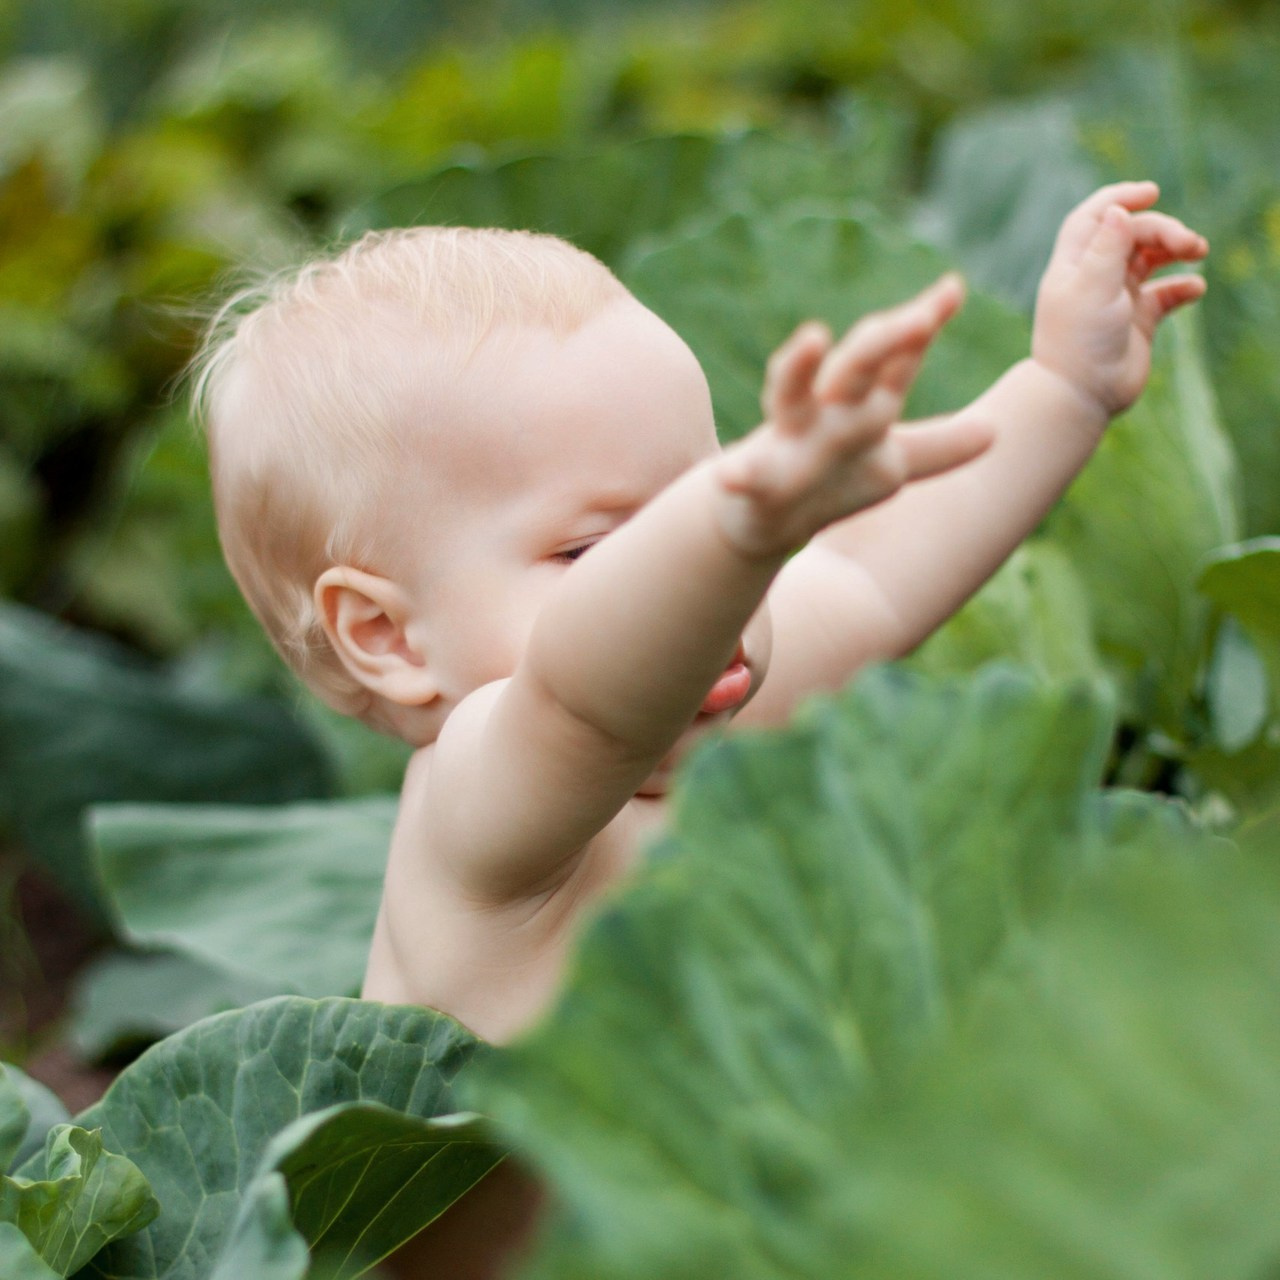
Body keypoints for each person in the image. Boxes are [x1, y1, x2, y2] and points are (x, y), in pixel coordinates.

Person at [195, 179, 1205, 1273]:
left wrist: (1061, 387)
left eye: (699, 485)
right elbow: (582, 698)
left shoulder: (705, 684)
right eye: (596, 548)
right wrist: (733, 523)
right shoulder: (481, 805)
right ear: (388, 636)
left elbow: (867, 573)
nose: (711, 575)